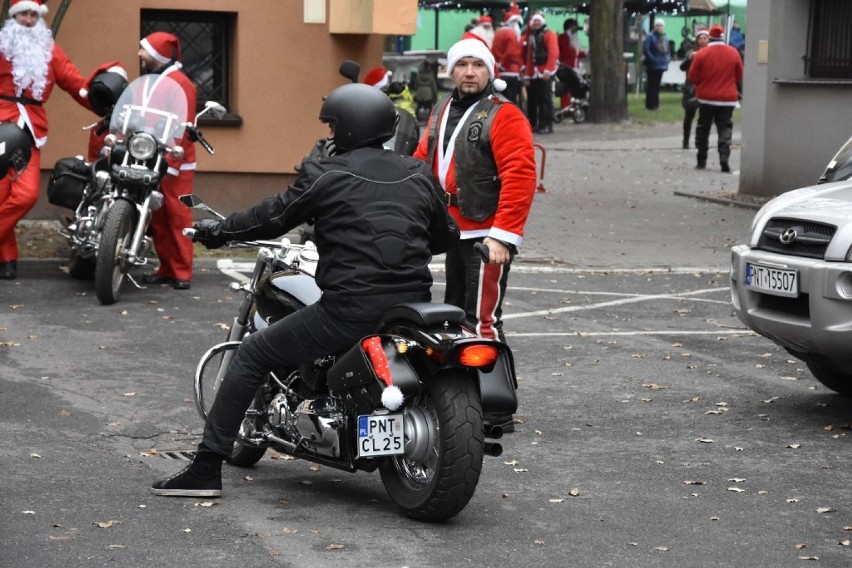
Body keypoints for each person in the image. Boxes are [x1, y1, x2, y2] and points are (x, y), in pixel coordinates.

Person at [151, 83, 458, 497]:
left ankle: (205, 468)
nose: (330, 136)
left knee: (253, 353)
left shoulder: (327, 175)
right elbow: (446, 235)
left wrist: (220, 231)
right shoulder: (417, 173)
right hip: (411, 309)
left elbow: (273, 217)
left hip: (349, 311)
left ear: (347, 128)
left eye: (333, 127)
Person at [413, 37, 535, 433]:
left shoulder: (506, 115)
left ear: (490, 71)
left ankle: (496, 406)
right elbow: (422, 160)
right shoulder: (443, 108)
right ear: (451, 70)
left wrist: (503, 236)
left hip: (486, 233)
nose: (469, 72)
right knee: (453, 319)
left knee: (483, 321)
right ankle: (459, 402)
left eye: (477, 65)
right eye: (462, 64)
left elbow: (520, 176)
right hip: (451, 230)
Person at [0, 0, 92, 280]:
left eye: (33, 15)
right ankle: (7, 259)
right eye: (23, 14)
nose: (28, 20)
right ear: (13, 17)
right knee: (1, 194)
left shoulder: (51, 51)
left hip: (31, 132)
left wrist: (103, 101)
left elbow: (77, 84)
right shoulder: (1, 44)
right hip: (1, 125)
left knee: (26, 194)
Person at [137, 32, 197, 290]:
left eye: (144, 50)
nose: (139, 54)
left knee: (178, 216)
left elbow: (185, 124)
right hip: (152, 156)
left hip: (175, 162)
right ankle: (166, 267)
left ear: (158, 54)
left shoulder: (180, 83)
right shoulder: (153, 80)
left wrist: (171, 161)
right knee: (158, 217)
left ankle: (182, 271)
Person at [688, 24, 743, 173]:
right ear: (723, 37)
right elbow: (739, 75)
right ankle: (724, 157)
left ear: (710, 37)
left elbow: (692, 76)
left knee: (703, 128)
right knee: (725, 128)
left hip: (706, 98)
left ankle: (701, 160)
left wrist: (702, 84)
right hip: (728, 98)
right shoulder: (734, 53)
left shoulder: (702, 54)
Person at [522, 12, 559, 134]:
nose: (536, 23)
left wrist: (548, 69)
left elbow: (553, 53)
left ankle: (547, 124)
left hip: (545, 71)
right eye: (534, 21)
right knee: (533, 99)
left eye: (538, 21)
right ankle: (535, 124)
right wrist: (527, 74)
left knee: (545, 99)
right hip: (534, 72)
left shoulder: (549, 34)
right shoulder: (531, 36)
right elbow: (529, 57)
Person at [679, 28, 709, 150]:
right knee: (689, 116)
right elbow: (682, 67)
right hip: (691, 88)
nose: (702, 41)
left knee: (704, 118)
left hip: (705, 88)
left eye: (705, 38)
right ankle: (685, 140)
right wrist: (689, 58)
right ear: (696, 40)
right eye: (700, 38)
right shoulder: (691, 52)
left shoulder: (711, 52)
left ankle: (699, 141)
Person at [491, 6, 524, 105]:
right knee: (511, 101)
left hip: (500, 72)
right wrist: (503, 64)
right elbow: (511, 53)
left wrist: (499, 65)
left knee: (501, 100)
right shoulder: (512, 34)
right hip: (510, 70)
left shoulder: (498, 33)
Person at [557, 18, 587, 112]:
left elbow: (576, 53)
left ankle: (574, 106)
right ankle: (566, 107)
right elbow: (567, 53)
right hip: (565, 68)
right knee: (566, 88)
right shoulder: (562, 38)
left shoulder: (574, 38)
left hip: (575, 68)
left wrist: (585, 53)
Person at [642, 19, 670, 111]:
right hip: (652, 65)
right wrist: (652, 59)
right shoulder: (650, 36)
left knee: (657, 86)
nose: (659, 27)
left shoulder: (665, 37)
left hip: (661, 65)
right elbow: (646, 49)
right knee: (651, 85)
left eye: (661, 25)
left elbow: (667, 50)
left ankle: (656, 103)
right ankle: (650, 104)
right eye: (657, 25)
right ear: (655, 26)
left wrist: (667, 60)